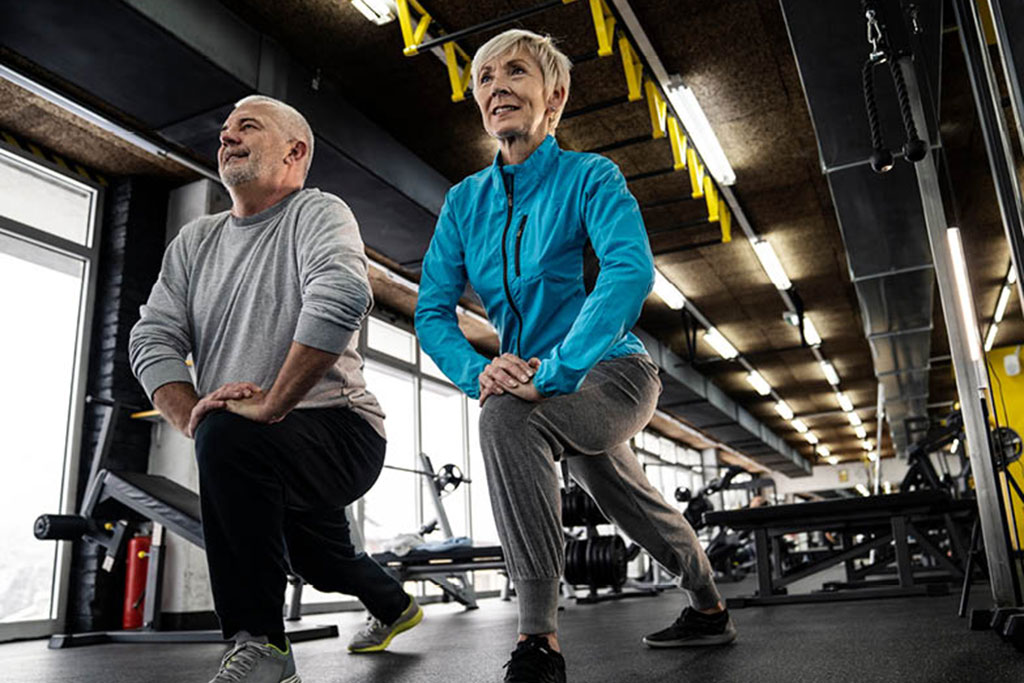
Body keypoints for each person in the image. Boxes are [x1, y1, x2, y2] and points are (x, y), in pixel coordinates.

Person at [415, 29, 736, 683]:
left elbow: (627, 271)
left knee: (507, 417)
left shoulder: (591, 176)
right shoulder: (463, 202)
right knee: (634, 503)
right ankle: (709, 606)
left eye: (515, 72)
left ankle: (538, 638)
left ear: (554, 97)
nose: (496, 86)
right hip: (537, 380)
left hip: (609, 372)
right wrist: (482, 369)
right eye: (483, 77)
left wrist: (554, 371)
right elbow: (430, 311)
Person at [129, 95, 422, 683]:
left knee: (229, 435)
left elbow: (341, 293)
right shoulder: (194, 243)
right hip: (259, 437)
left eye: (247, 126)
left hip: (340, 429)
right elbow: (151, 336)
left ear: (295, 152)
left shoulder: (317, 213)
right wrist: (190, 413)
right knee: (324, 561)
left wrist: (270, 404)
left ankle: (261, 643)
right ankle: (395, 606)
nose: (227, 136)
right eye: (225, 129)